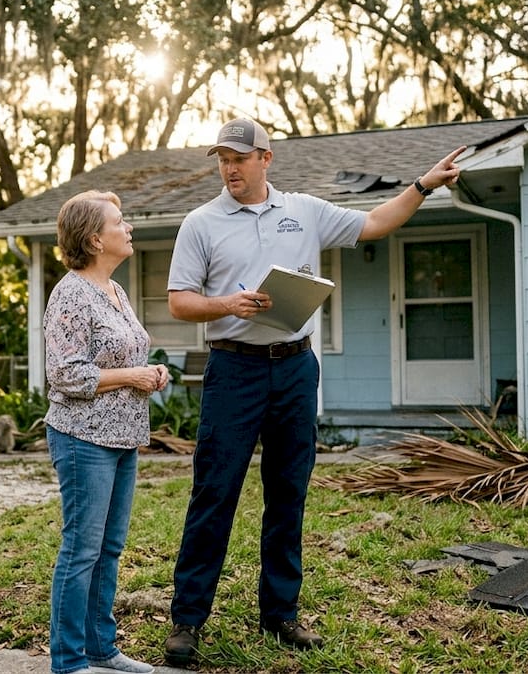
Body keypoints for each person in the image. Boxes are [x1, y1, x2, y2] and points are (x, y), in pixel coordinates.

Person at [162, 117, 465, 666]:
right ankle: (187, 620)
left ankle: (280, 614)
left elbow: (374, 222)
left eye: (239, 157)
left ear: (265, 159)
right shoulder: (200, 223)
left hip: (296, 370)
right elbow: (180, 301)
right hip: (234, 371)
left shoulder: (303, 210)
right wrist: (228, 304)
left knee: (289, 491)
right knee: (215, 492)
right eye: (222, 159)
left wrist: (422, 185)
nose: (229, 168)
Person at [44, 190, 171, 674]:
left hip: (123, 438)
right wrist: (132, 376)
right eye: (120, 222)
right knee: (82, 549)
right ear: (96, 240)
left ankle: (101, 648)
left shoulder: (114, 292)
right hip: (83, 439)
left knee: (109, 548)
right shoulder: (71, 294)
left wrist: (153, 373)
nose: (129, 228)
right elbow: (66, 373)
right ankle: (69, 660)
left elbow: (125, 357)